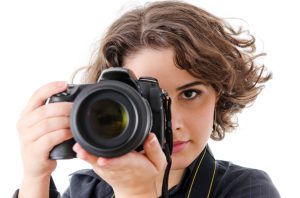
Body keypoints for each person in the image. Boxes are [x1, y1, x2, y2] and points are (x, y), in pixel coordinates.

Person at [14, 1, 280, 197]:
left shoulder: (247, 189)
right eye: (149, 98)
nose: (173, 123)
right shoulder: (87, 189)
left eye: (190, 94)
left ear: (218, 96)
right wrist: (35, 176)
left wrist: (137, 191)